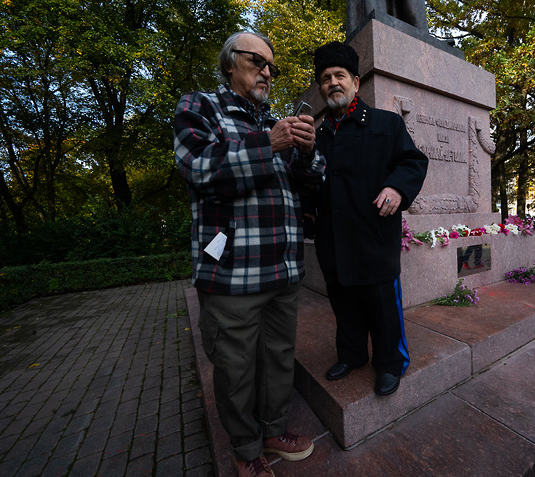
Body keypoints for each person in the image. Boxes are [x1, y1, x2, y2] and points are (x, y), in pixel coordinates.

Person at [174, 31, 324, 477]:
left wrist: (309, 153)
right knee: (236, 367)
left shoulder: (274, 120)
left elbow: (311, 185)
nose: (266, 72)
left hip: (283, 268)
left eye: (271, 66)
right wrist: (269, 144)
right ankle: (246, 449)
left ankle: (274, 429)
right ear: (228, 64)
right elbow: (199, 168)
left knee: (278, 358)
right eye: (256, 61)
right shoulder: (199, 107)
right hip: (232, 274)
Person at [307, 41, 429, 396]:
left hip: (374, 237)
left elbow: (414, 162)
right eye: (326, 78)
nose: (333, 83)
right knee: (344, 303)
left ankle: (390, 363)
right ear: (321, 87)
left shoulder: (385, 124)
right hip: (333, 238)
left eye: (339, 76)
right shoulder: (316, 137)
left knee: (381, 305)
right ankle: (352, 354)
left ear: (356, 83)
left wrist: (396, 188)